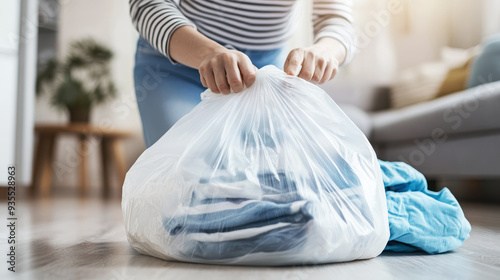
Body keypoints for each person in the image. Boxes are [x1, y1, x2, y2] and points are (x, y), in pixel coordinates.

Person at [129, 0, 356, 148]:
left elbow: (337, 19)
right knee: (186, 175)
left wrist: (325, 51)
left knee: (277, 177)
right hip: (177, 63)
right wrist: (208, 53)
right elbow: (147, 5)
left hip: (262, 75)